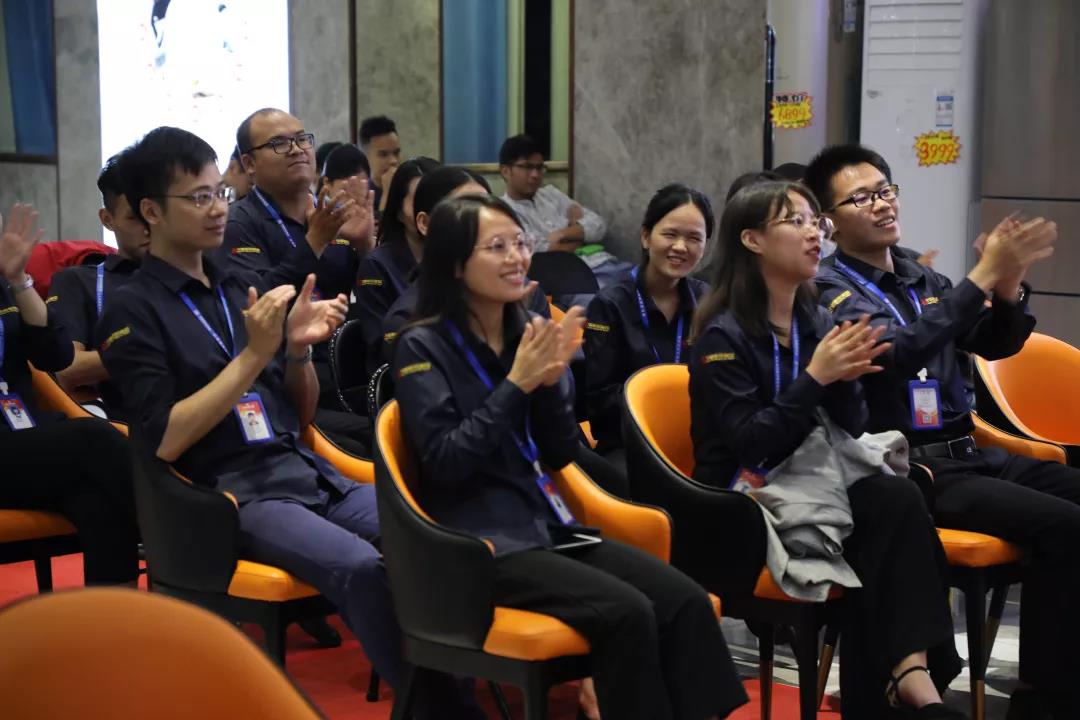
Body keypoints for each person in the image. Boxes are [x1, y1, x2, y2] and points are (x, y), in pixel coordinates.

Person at [97, 125, 450, 707]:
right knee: (363, 566)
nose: (218, 209)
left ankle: (454, 687)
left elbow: (299, 413)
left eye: (219, 193)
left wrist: (297, 353)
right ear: (151, 212)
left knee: (439, 533)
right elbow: (163, 440)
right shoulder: (132, 309)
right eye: (199, 197)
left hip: (308, 472)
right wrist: (254, 355)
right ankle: (439, 706)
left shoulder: (237, 286)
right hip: (233, 496)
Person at [392, 193, 746, 720]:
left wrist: (553, 387)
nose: (517, 257)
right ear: (456, 264)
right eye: (497, 247)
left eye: (520, 243)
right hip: (477, 544)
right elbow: (446, 462)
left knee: (687, 600)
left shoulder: (526, 335)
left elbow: (560, 453)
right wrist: (518, 384)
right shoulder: (422, 346)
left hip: (548, 526)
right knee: (627, 611)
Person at [805, 144, 1077, 719]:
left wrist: (1007, 286)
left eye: (886, 190)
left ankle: (1057, 680)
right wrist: (980, 277)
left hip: (971, 451)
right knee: (1066, 526)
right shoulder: (828, 290)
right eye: (862, 198)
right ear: (828, 222)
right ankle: (1046, 698)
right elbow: (899, 351)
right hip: (913, 470)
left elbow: (994, 343)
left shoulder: (920, 275)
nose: (882, 204)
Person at [689, 180, 964, 718]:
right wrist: (817, 376)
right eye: (795, 221)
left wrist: (846, 380)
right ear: (752, 240)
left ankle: (911, 679)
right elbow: (752, 445)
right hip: (741, 503)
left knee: (896, 498)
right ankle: (903, 684)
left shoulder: (814, 318)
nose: (814, 233)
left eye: (816, 221)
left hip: (812, 481)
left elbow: (851, 425)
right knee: (885, 524)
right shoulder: (723, 335)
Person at [217, 108, 374, 456]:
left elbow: (367, 302)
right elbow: (260, 303)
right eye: (278, 143)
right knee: (369, 441)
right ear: (249, 163)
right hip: (283, 380)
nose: (297, 149)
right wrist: (315, 241)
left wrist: (366, 247)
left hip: (343, 372)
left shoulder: (331, 213)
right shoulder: (238, 224)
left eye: (302, 139)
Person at [0, 201, 139, 586]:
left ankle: (116, 617)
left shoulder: (4, 284)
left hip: (24, 437)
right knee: (91, 437)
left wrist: (19, 280)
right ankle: (195, 529)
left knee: (98, 503)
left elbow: (56, 356)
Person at [584, 184, 711, 457]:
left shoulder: (709, 302)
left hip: (697, 443)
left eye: (694, 238)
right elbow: (598, 400)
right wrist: (660, 407)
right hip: (630, 445)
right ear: (645, 236)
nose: (681, 247)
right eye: (670, 234)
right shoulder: (610, 305)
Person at [52, 152, 150, 417]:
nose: (148, 226)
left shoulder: (198, 276)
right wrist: (157, 346)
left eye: (155, 212)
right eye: (134, 217)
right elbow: (67, 369)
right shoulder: (77, 281)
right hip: (120, 424)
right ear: (107, 219)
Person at [352, 157, 441, 378]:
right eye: (419, 201)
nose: (432, 211)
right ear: (399, 212)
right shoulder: (377, 266)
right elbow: (382, 347)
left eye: (440, 200)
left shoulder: (462, 258)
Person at [358, 115, 401, 211]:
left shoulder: (409, 191)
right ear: (365, 158)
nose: (393, 160)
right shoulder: (360, 199)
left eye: (396, 153)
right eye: (383, 154)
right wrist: (387, 193)